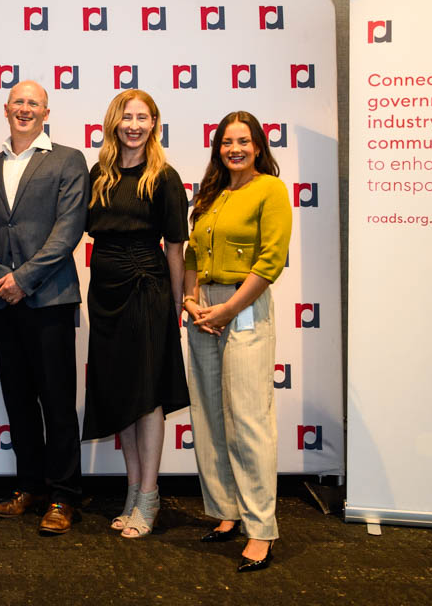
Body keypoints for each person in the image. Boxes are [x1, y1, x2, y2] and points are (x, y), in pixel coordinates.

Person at [0, 81, 88, 535]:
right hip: (2, 300)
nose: (25, 109)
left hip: (49, 297)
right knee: (18, 400)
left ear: (46, 112)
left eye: (33, 103)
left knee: (57, 401)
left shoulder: (68, 160)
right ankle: (29, 487)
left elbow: (68, 230)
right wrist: (0, 278)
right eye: (18, 102)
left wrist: (23, 279)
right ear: (6, 109)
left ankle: (63, 496)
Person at [183, 111, 291, 573]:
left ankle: (261, 529)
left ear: (258, 146)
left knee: (248, 420)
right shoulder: (211, 193)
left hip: (243, 305)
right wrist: (191, 301)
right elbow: (191, 253)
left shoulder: (271, 189)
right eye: (227, 142)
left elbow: (271, 261)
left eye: (243, 141)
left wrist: (228, 309)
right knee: (209, 415)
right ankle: (227, 511)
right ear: (218, 148)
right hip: (204, 310)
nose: (235, 149)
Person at [81, 89, 190, 539]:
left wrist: (175, 308)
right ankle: (132, 490)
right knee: (121, 393)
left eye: (142, 117)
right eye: (127, 117)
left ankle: (149, 495)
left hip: (148, 290)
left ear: (154, 124)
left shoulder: (164, 177)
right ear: (114, 122)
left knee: (147, 397)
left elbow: (176, 248)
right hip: (105, 292)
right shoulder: (99, 174)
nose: (134, 125)